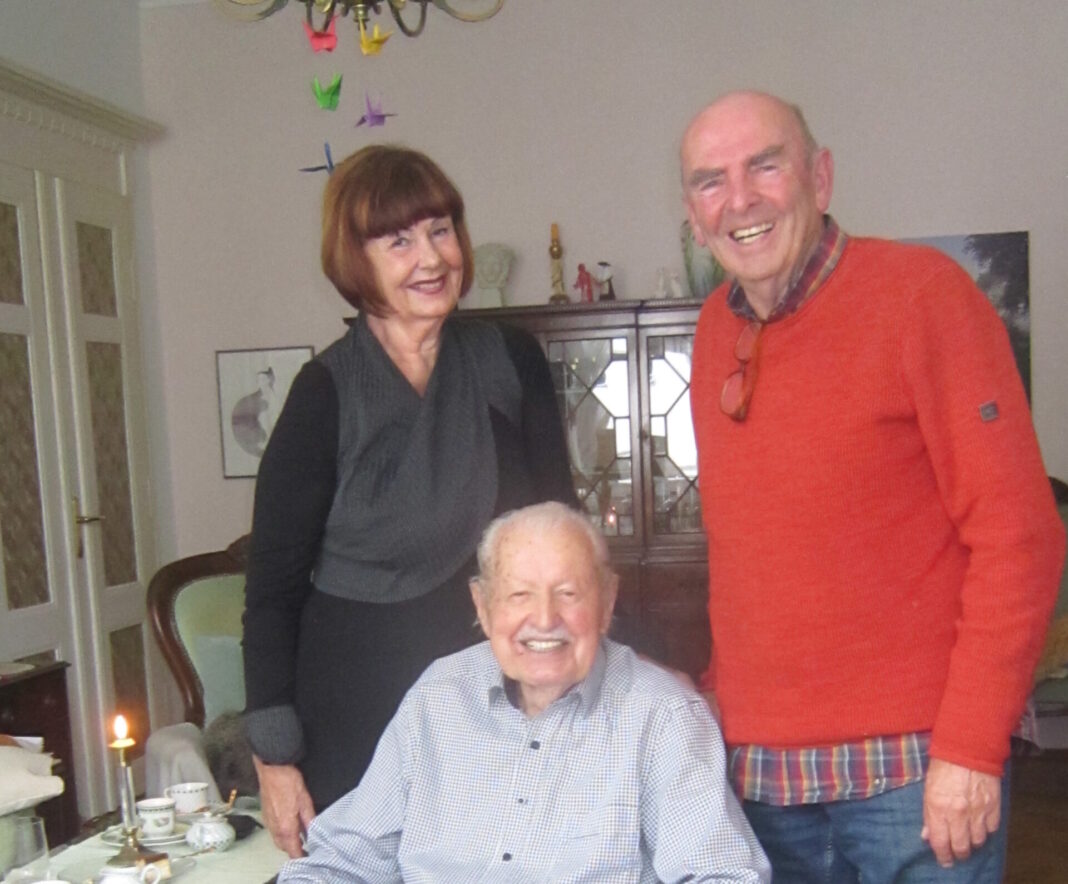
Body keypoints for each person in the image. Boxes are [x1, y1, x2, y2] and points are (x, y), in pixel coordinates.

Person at [680, 91, 1066, 882]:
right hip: (763, 782)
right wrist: (716, 708)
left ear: (820, 177)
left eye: (765, 165)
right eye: (710, 181)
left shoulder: (924, 295)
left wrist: (971, 746)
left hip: (914, 773)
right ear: (693, 214)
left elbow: (1019, 535)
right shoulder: (715, 329)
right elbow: (750, 550)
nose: (740, 199)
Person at [242, 145, 577, 857]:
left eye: (440, 230)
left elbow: (567, 538)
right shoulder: (323, 395)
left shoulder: (509, 363)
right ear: (355, 261)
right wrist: (276, 761)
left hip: (502, 707)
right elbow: (270, 595)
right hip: (356, 717)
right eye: (398, 240)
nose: (431, 257)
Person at [277, 501, 771, 883]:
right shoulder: (438, 698)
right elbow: (346, 858)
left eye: (568, 593)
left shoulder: (663, 716)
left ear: (607, 602)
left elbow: (722, 873)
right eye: (518, 595)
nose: (543, 619)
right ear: (483, 606)